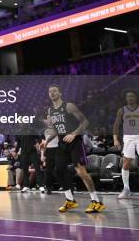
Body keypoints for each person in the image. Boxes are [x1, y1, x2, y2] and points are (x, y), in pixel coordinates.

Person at [46, 84, 104, 213]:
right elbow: (56, 130)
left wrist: (74, 133)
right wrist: (47, 141)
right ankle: (70, 200)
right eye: (50, 91)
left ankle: (96, 201)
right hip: (62, 143)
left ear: (60, 93)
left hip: (75, 142)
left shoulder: (69, 106)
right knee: (58, 171)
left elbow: (85, 122)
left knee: (81, 171)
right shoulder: (50, 111)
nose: (52, 93)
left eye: (55, 91)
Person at [113, 89, 139, 199]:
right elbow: (116, 126)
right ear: (126, 98)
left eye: (132, 96)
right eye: (128, 96)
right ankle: (126, 189)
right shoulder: (122, 110)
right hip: (128, 138)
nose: (130, 98)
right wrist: (115, 139)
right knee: (126, 163)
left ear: (136, 97)